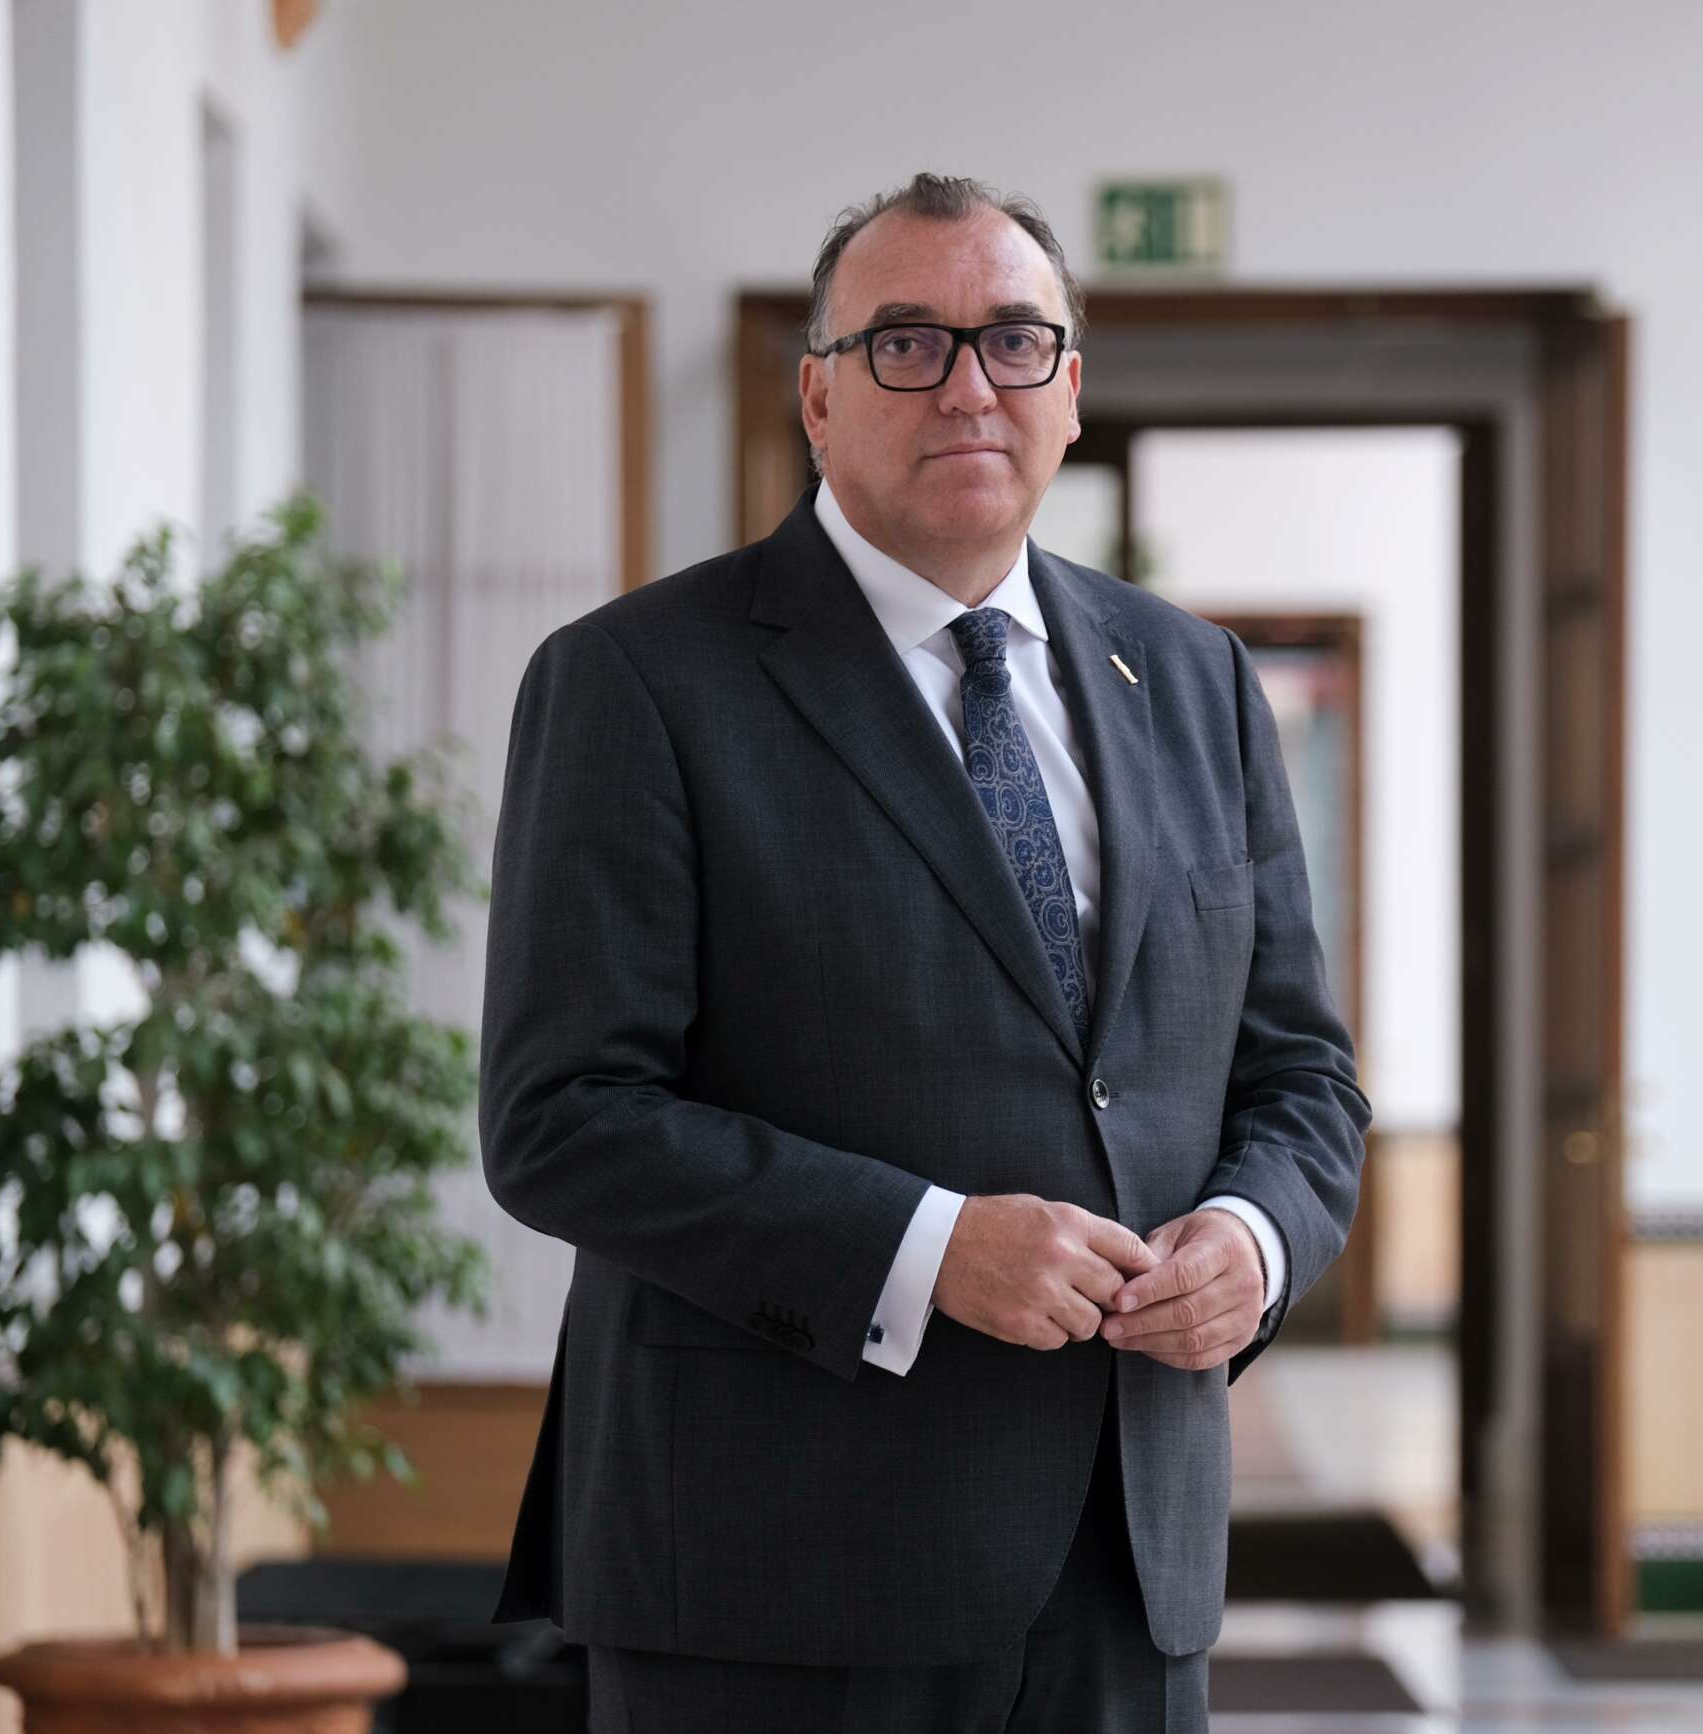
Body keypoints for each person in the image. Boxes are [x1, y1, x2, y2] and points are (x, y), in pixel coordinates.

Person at [476, 170, 1371, 1734]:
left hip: (1128, 1561)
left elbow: (1301, 1076)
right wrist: (927, 1245)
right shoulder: (639, 682)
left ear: (1070, 392)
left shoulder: (1196, 679)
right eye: (906, 343)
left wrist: (1255, 1235)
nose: (969, 383)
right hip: (772, 1579)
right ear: (817, 399)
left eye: (1015, 340)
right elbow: (562, 1120)